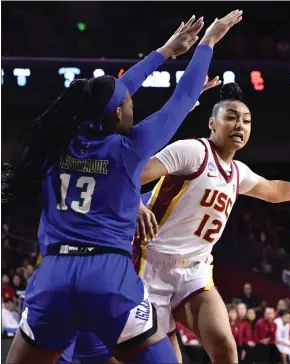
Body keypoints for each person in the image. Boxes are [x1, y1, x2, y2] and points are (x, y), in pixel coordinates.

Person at [2, 11, 242, 363]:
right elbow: (181, 97)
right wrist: (207, 44)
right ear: (116, 114)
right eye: (129, 103)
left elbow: (108, 94)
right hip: (107, 278)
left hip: (53, 275)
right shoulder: (130, 149)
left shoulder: (59, 138)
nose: (132, 103)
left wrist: (163, 52)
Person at [133, 80, 290, 362]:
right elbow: (132, 173)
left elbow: (277, 191)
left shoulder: (238, 171)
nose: (239, 125)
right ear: (212, 123)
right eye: (230, 117)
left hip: (195, 269)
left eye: (246, 121)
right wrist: (134, 204)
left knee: (225, 348)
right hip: (149, 264)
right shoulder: (192, 151)